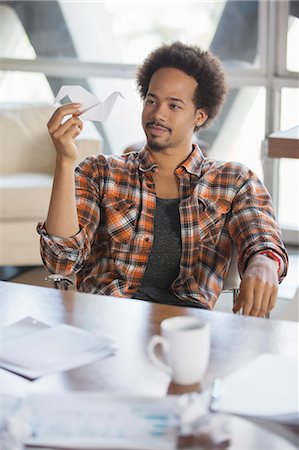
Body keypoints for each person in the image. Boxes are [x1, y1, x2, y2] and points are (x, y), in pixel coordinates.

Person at [38, 41, 288, 317]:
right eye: (151, 100)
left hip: (186, 328)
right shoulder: (100, 172)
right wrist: (64, 160)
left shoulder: (233, 180)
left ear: (200, 116)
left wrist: (264, 263)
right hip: (109, 320)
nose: (158, 114)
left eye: (174, 105)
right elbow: (60, 262)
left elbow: (263, 240)